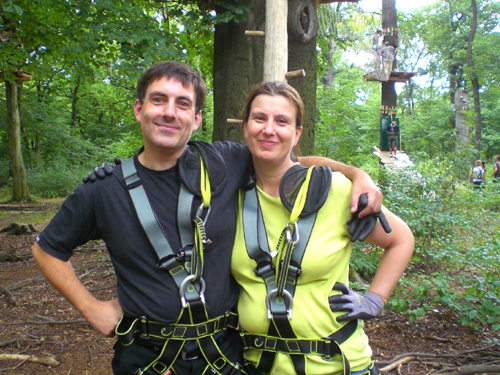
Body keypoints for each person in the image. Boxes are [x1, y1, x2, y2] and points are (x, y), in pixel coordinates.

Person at [32, 61, 385, 375]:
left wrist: (356, 174)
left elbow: (284, 157)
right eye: (159, 100)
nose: (170, 112)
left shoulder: (223, 162)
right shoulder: (105, 189)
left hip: (225, 356)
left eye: (183, 104)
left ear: (197, 118)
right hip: (147, 357)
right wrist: (91, 307)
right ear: (139, 109)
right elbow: (47, 249)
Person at [231, 81, 414, 375]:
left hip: (339, 365)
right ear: (245, 126)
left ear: (296, 133)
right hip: (256, 366)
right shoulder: (228, 191)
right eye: (259, 118)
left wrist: (375, 298)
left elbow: (401, 240)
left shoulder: (334, 190)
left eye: (282, 121)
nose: (269, 129)